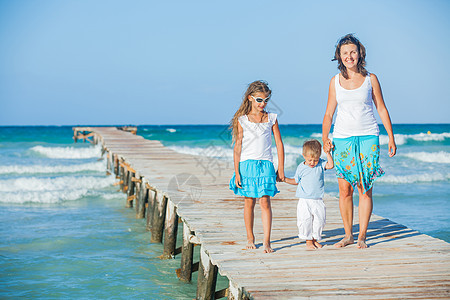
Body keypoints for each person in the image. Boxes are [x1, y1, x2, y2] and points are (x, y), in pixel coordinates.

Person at [322, 34, 397, 249]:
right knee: (344, 189)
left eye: (353, 52)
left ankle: (362, 235)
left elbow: (381, 108)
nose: (349, 56)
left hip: (368, 136)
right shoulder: (334, 82)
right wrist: (325, 137)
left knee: (365, 188)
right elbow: (328, 114)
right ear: (339, 56)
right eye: (345, 53)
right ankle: (348, 235)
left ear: (360, 53)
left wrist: (391, 137)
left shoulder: (371, 79)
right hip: (342, 138)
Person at [229, 80, 285, 253]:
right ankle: (250, 237)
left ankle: (267, 241)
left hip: (266, 164)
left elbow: (279, 144)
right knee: (249, 202)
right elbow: (238, 146)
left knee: (265, 202)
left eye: (266, 100)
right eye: (259, 100)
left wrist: (280, 168)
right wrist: (237, 172)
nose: (263, 104)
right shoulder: (243, 120)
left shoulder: (272, 118)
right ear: (250, 98)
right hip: (247, 165)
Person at [282, 139, 334, 249]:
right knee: (305, 220)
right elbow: (296, 181)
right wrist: (285, 179)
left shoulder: (320, 164)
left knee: (319, 220)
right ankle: (308, 241)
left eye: (315, 160)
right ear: (304, 156)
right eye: (310, 160)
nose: (312, 163)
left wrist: (328, 153)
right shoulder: (301, 167)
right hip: (304, 200)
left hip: (318, 199)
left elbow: (330, 165)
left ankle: (314, 239)